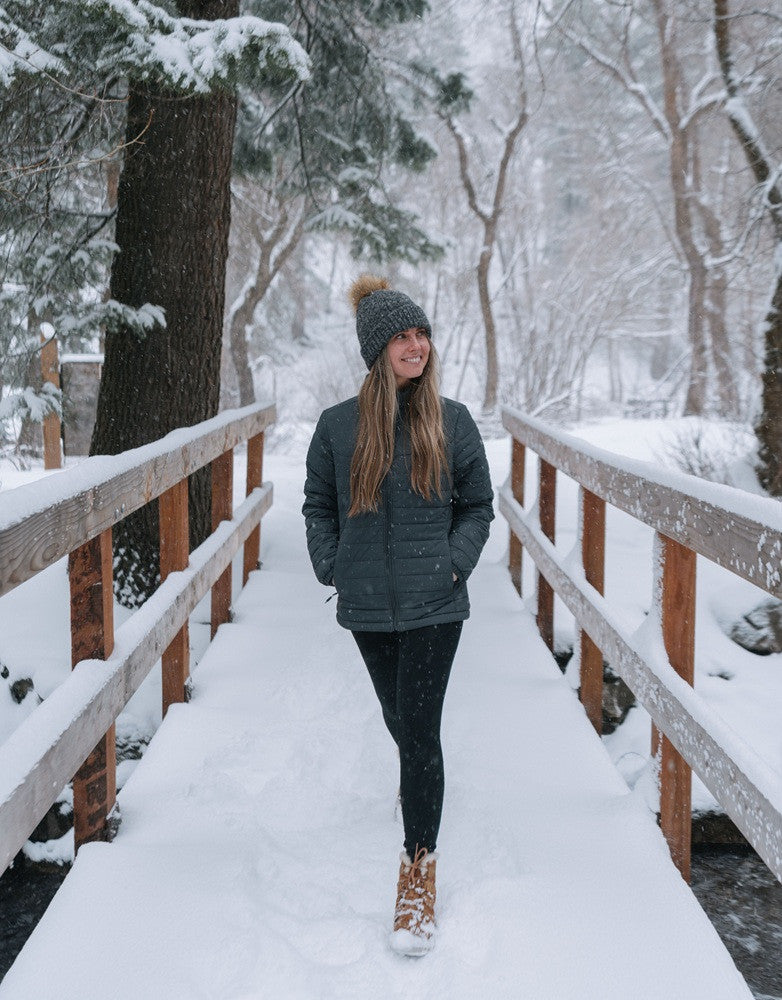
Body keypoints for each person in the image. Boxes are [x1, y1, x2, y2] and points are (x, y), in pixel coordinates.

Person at [302, 275, 494, 956]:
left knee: (418, 731)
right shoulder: (337, 427)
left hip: (436, 603)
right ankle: (420, 790)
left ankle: (418, 872)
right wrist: (333, 565)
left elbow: (477, 506)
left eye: (422, 334)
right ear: (376, 349)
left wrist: (453, 562)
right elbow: (318, 507)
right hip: (365, 607)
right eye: (402, 336)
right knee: (399, 718)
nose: (417, 345)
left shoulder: (454, 420)